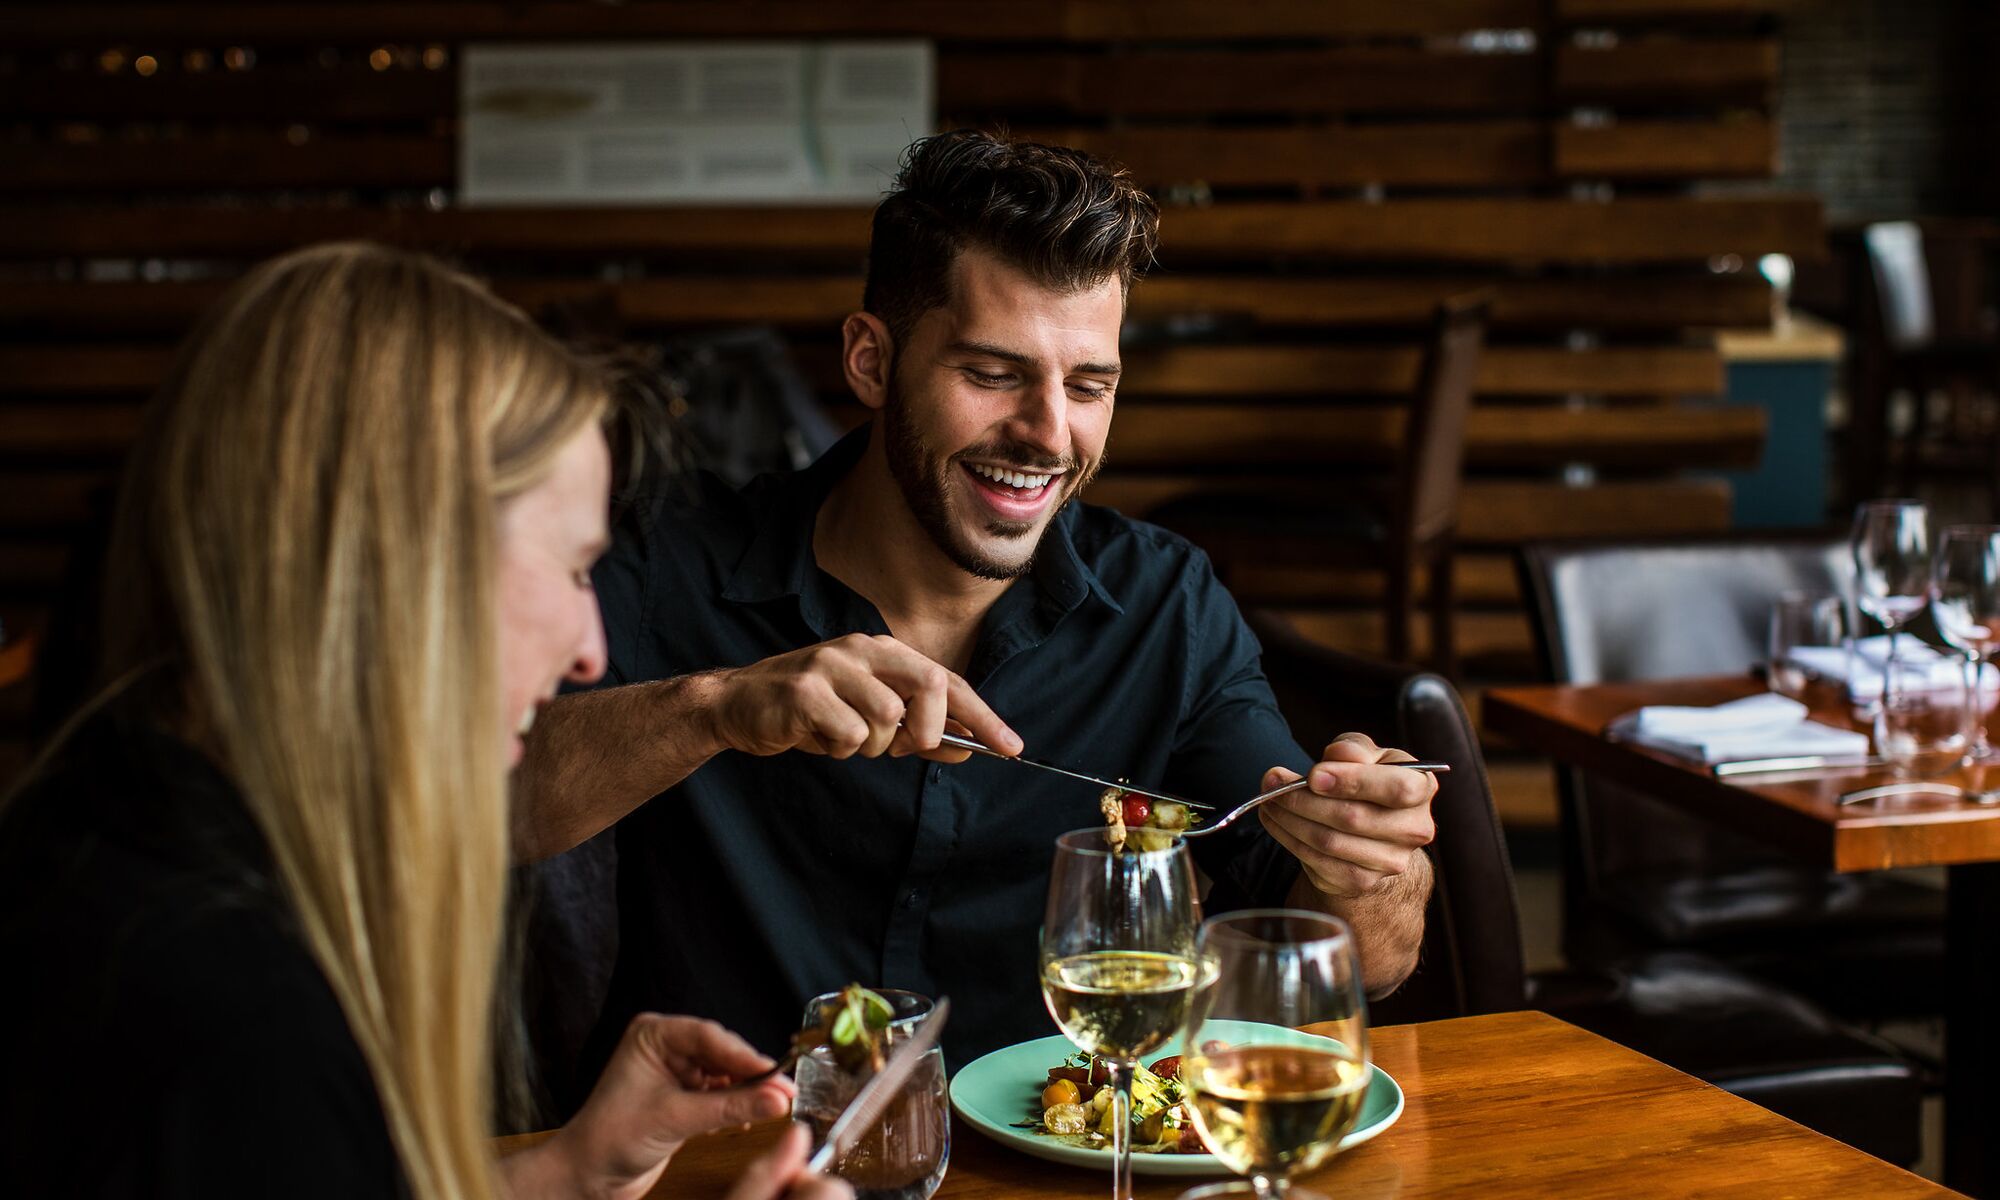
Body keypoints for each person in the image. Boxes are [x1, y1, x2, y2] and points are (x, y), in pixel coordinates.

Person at [516, 130, 1436, 1093]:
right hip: (722, 1158)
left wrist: (1369, 867)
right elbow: (482, 810)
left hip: (1045, 1163)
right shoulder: (669, 562)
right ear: (871, 362)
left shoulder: (1166, 604)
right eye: (993, 374)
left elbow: (1366, 959)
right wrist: (713, 710)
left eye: (1088, 386)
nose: (1047, 434)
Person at [0, 244, 846, 1200]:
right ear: (403, 563)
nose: (589, 652)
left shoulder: (109, 812)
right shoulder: (224, 1010)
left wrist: (559, 1173)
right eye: (574, 570)